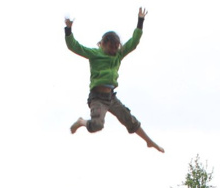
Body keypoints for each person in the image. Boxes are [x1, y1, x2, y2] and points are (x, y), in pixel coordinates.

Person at [65, 8, 164, 153]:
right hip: (97, 98)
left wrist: (140, 21)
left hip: (110, 97)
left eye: (115, 48)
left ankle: (149, 142)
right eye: (111, 48)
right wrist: (68, 30)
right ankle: (81, 122)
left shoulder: (118, 55)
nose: (113, 51)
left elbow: (133, 42)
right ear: (103, 44)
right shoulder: (95, 54)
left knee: (129, 119)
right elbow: (74, 46)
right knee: (97, 125)